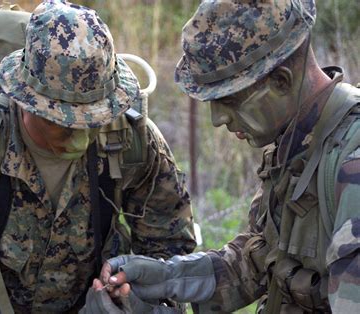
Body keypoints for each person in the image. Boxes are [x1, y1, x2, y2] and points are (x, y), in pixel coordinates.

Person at [0, 1, 196, 312]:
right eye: (61, 119)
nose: (79, 133)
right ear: (24, 100)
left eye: (92, 116)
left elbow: (169, 246)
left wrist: (137, 299)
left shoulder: (130, 139)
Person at [83, 0, 360, 313]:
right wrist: (169, 277)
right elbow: (259, 262)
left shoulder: (351, 163)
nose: (217, 120)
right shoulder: (296, 147)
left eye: (229, 100)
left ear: (280, 81)